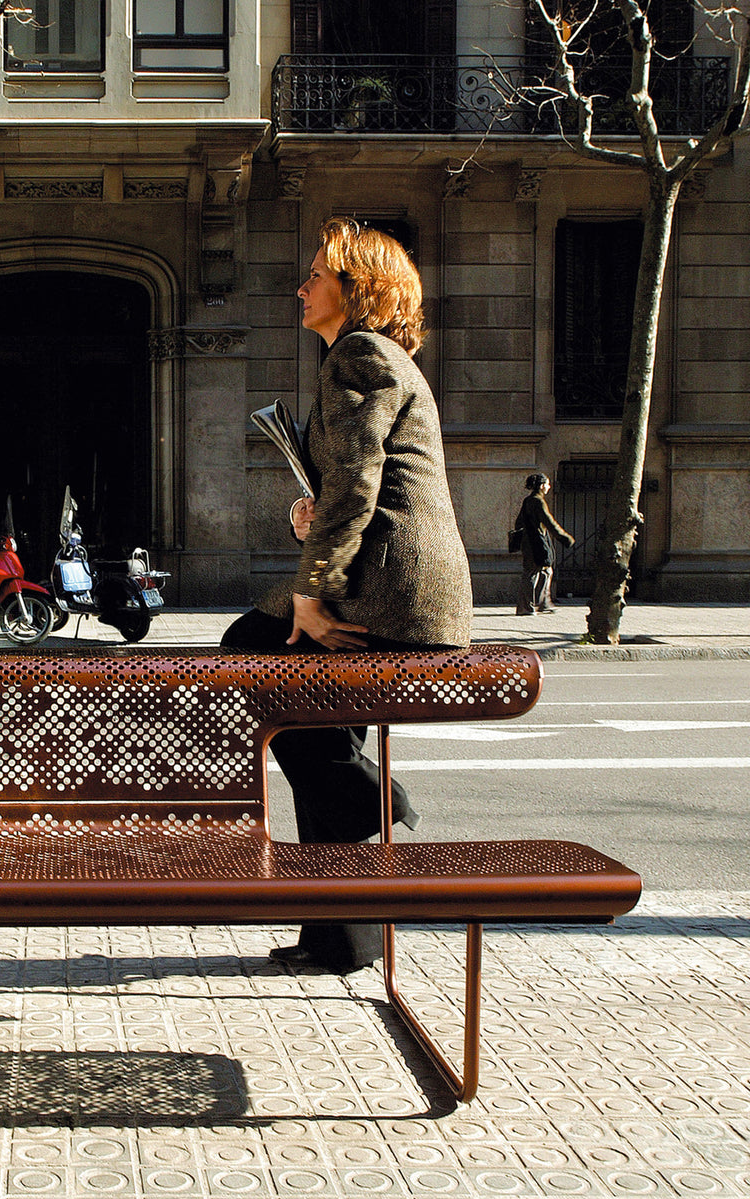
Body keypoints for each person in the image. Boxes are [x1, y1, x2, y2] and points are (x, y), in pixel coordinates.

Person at [222, 217, 473, 974]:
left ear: (355, 288)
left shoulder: (360, 353)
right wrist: (312, 513)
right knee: (316, 724)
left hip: (393, 590)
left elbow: (364, 481)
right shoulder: (364, 357)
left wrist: (312, 594)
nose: (301, 287)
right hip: (398, 583)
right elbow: (355, 482)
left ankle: (369, 800)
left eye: (316, 275)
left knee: (249, 647)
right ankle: (340, 936)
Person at [514, 473, 574, 615]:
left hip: (531, 542)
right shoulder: (537, 502)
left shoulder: (528, 500)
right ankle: (526, 607)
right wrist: (565, 538)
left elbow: (518, 522)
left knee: (546, 571)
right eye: (547, 484)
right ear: (541, 486)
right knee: (532, 573)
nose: (549, 487)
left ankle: (543, 603)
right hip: (535, 543)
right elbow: (550, 522)